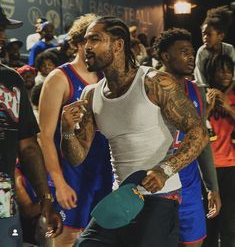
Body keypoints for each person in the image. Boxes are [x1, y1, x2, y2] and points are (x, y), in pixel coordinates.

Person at [60, 16, 209, 247]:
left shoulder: (154, 82)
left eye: (95, 40)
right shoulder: (91, 94)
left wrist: (164, 170)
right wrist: (67, 130)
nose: (86, 47)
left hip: (161, 198)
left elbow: (198, 131)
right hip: (121, 199)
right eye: (85, 41)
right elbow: (76, 157)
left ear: (118, 45)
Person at [39, 14, 113, 247]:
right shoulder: (59, 79)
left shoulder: (107, 77)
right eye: (93, 41)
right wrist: (58, 183)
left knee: (102, 239)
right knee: (67, 239)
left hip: (104, 175)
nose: (97, 47)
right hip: (72, 176)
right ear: (79, 43)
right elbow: (45, 137)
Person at [0, 5, 62, 246]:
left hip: (3, 197)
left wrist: (44, 195)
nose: (2, 36)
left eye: (3, 29)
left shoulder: (11, 80)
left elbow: (27, 145)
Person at [154, 28, 221, 247]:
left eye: (192, 52)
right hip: (157, 185)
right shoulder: (148, 87)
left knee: (193, 243)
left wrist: (212, 187)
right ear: (165, 56)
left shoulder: (196, 91)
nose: (191, 57)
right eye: (183, 52)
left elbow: (202, 143)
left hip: (189, 187)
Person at [202, 54, 235, 247]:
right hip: (207, 170)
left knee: (230, 224)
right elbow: (193, 129)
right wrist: (208, 107)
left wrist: (230, 109)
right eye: (220, 70)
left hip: (232, 168)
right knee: (209, 224)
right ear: (210, 73)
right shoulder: (202, 95)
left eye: (229, 70)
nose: (226, 75)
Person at [194, 5, 235, 89]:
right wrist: (211, 94)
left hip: (227, 89)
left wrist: (224, 95)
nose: (205, 37)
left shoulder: (229, 49)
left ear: (221, 36)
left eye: (209, 34)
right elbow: (200, 79)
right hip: (207, 91)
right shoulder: (202, 51)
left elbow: (234, 76)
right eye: (203, 34)